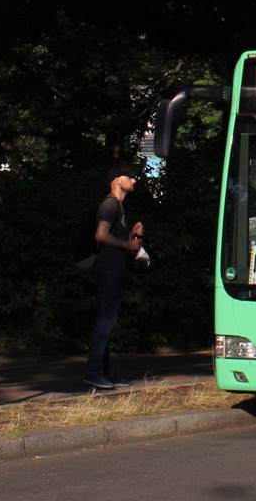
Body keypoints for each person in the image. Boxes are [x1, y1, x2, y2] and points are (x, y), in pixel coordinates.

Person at [86, 163, 145, 390]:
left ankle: (105, 371)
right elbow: (101, 236)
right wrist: (128, 245)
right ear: (117, 179)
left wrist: (130, 235)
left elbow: (111, 238)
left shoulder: (118, 206)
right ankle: (94, 372)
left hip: (113, 268)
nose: (133, 180)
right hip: (108, 269)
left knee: (108, 321)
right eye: (129, 176)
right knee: (105, 321)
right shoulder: (110, 205)